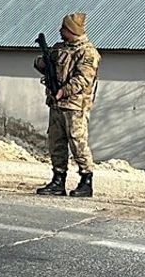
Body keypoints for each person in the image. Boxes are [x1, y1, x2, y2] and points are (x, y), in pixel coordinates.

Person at [33, 12, 101, 197]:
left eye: (64, 29)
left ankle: (86, 180)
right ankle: (58, 180)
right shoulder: (60, 48)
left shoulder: (88, 52)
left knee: (78, 143)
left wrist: (64, 91)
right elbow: (47, 64)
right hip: (56, 104)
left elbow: (83, 79)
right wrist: (42, 63)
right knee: (56, 142)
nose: (60, 32)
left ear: (72, 30)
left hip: (75, 106)